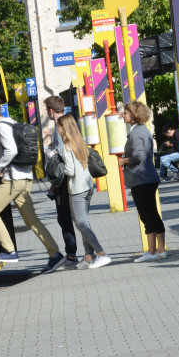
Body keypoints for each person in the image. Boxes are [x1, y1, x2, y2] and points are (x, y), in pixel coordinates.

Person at [0, 98, 66, 272]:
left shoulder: (1, 126)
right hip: (25, 177)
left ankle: (10, 251)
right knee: (31, 219)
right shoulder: (11, 122)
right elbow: (5, 154)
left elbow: (11, 151)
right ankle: (55, 254)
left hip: (14, 180)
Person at [57, 114, 112, 269]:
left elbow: (69, 170)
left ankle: (102, 254)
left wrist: (58, 162)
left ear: (64, 128)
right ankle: (88, 257)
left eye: (59, 126)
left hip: (77, 189)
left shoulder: (66, 145)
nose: (57, 129)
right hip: (88, 186)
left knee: (80, 223)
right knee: (84, 222)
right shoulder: (79, 141)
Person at [118, 101, 166, 262]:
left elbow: (139, 155)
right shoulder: (143, 130)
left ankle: (152, 252)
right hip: (148, 177)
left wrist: (124, 161)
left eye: (125, 113)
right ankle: (160, 250)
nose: (123, 115)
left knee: (146, 215)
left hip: (141, 178)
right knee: (152, 213)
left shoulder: (135, 133)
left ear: (133, 115)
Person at [44, 96, 78, 267]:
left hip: (63, 182)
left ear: (51, 110)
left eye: (47, 110)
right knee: (72, 218)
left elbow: (61, 159)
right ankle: (77, 253)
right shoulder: (71, 123)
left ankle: (72, 254)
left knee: (65, 218)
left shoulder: (60, 128)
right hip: (69, 180)